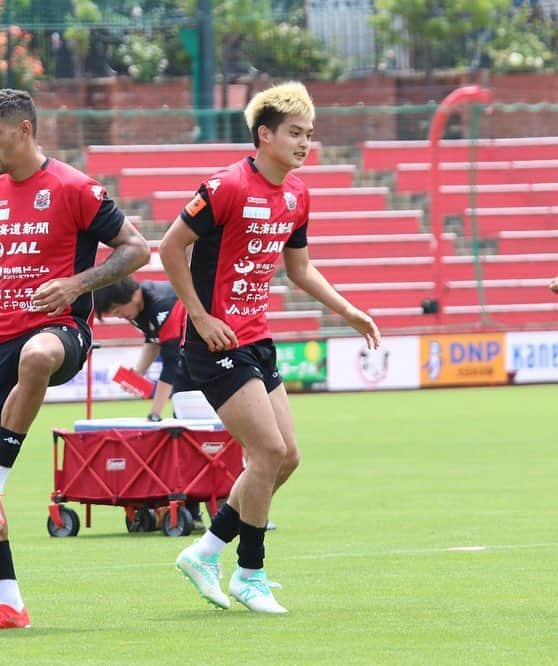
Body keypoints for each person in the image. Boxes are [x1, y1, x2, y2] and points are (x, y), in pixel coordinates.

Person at [0, 88, 150, 632]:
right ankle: (9, 602)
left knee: (37, 356)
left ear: (24, 131)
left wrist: (76, 284)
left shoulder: (75, 188)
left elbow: (137, 249)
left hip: (59, 329)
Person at [159, 82, 380, 614]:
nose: (305, 143)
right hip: (214, 345)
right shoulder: (225, 187)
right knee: (268, 453)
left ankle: (207, 550)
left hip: (257, 338)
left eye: (309, 134)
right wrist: (201, 315)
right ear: (265, 135)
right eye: (295, 133)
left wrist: (347, 310)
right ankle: (249, 573)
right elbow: (169, 248)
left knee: (287, 459)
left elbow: (299, 269)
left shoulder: (298, 194)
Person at [93, 276, 189, 421]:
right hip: (191, 352)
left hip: (212, 348)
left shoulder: (162, 305)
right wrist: (138, 373)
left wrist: (154, 414)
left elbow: (171, 364)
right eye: (114, 313)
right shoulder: (134, 308)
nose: (118, 316)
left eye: (118, 310)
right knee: (184, 416)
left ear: (136, 295)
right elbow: (153, 339)